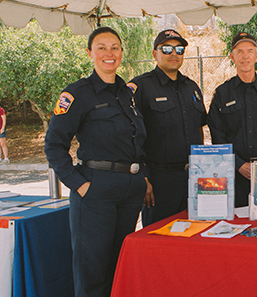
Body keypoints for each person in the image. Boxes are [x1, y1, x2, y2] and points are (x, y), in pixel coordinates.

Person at [44, 27, 147, 297]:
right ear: (90, 53)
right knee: (93, 270)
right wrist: (79, 185)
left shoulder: (127, 93)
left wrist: (142, 177)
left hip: (129, 190)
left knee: (118, 266)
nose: (109, 53)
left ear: (122, 53)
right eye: (101, 47)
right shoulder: (77, 94)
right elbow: (54, 145)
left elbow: (137, 141)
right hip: (95, 190)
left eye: (114, 47)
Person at [129, 29, 207, 227]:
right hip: (159, 182)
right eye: (167, 49)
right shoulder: (140, 87)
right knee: (159, 241)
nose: (174, 53)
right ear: (155, 53)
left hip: (194, 179)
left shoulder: (192, 87)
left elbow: (199, 129)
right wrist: (142, 177)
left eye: (179, 49)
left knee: (194, 238)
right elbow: (131, 137)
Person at [207, 32, 257, 207]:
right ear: (232, 57)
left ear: (256, 56)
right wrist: (239, 164)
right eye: (239, 51)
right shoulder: (222, 93)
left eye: (250, 51)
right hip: (234, 173)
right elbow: (217, 135)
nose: (245, 56)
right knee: (235, 225)